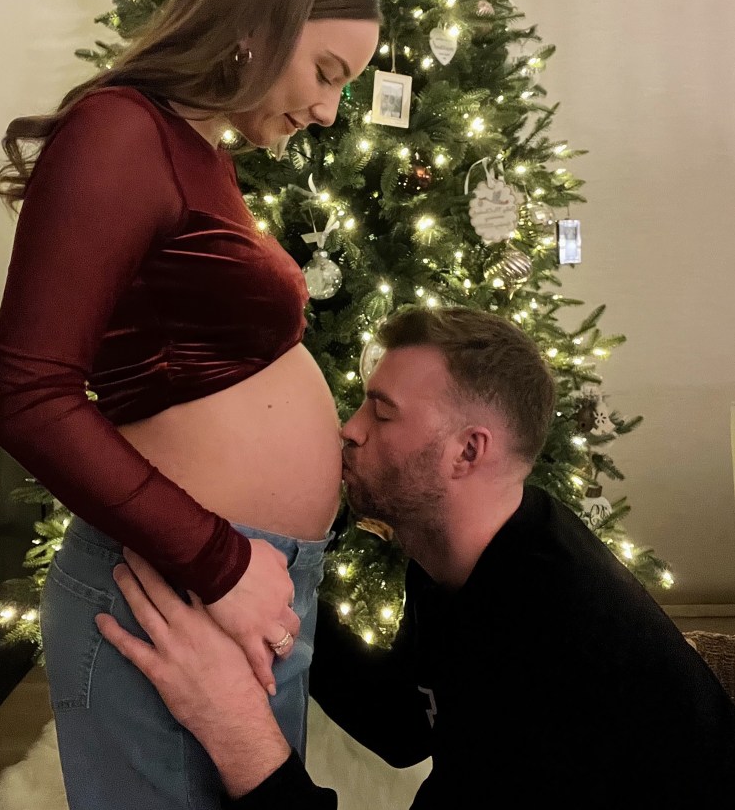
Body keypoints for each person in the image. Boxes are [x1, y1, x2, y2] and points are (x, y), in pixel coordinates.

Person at [0, 0, 380, 810]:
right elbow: (25, 396)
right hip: (179, 585)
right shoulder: (122, 130)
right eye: (325, 72)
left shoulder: (202, 155)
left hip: (237, 581)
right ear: (257, 20)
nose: (327, 110)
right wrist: (221, 563)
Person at [97, 305, 735, 807]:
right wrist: (269, 605)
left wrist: (233, 721)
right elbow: (406, 722)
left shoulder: (553, 642)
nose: (350, 427)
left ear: (467, 452)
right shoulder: (473, 548)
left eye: (382, 412)